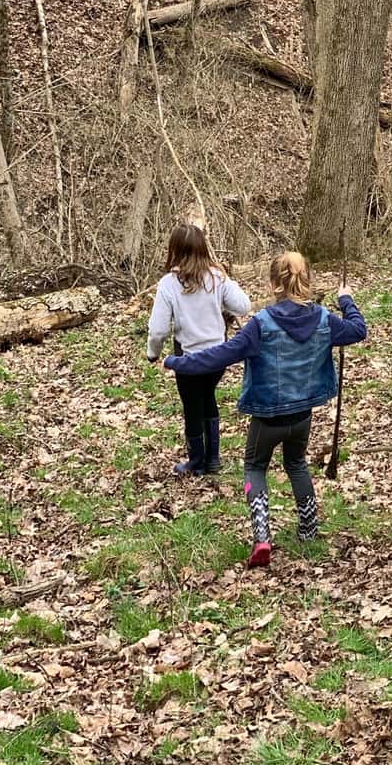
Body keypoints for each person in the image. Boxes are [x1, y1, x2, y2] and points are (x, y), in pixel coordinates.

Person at [163, 251, 367, 568]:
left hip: (267, 418)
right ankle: (309, 528)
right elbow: (358, 329)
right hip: (302, 416)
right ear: (308, 281)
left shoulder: (261, 325)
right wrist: (347, 300)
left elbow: (219, 355)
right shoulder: (326, 320)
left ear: (274, 284)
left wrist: (177, 362)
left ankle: (262, 538)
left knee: (255, 467)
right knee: (296, 464)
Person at [147, 223, 251, 476]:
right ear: (203, 248)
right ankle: (213, 458)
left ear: (174, 251)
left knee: (192, 406)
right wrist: (225, 280)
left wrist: (153, 352)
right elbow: (243, 305)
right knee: (207, 398)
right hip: (218, 356)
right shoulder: (217, 278)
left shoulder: (169, 284)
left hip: (189, 359)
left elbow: (158, 329)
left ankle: (197, 460)